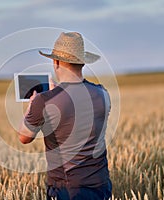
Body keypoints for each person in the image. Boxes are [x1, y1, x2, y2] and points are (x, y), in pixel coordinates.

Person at [17, 32, 112, 200]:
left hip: (67, 190)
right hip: (102, 184)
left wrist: (33, 105)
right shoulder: (102, 93)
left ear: (56, 62)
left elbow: (24, 137)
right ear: (82, 62)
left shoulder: (44, 101)